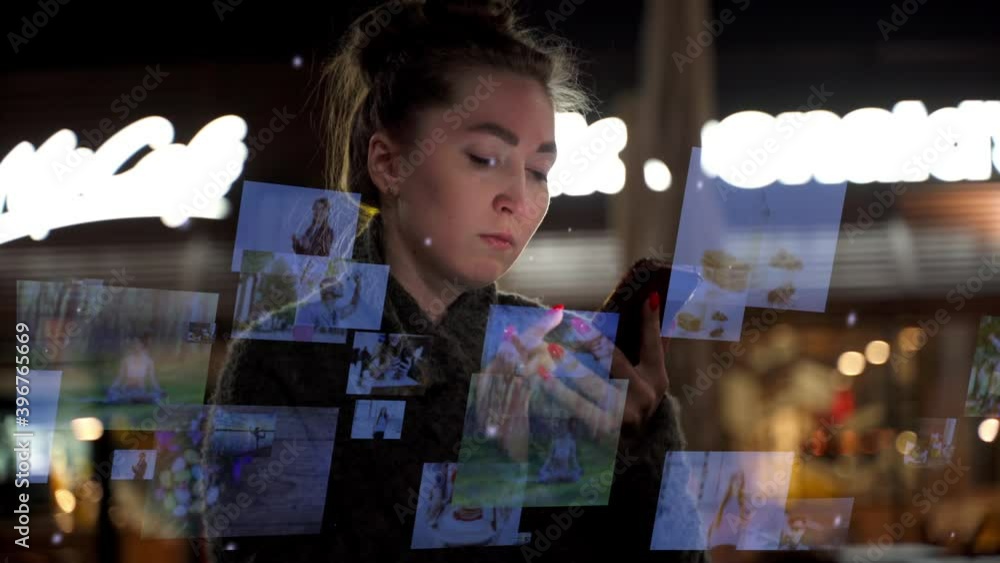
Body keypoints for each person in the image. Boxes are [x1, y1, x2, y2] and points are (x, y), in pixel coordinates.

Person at [205, 1, 700, 561]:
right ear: (389, 164)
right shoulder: (281, 360)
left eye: (539, 172)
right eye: (485, 157)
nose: (519, 198)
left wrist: (640, 449)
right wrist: (487, 453)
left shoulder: (566, 355)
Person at [107, 333, 163, 403]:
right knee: (118, 395)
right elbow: (120, 377)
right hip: (127, 389)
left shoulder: (148, 361)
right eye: (134, 344)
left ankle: (134, 398)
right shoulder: (126, 360)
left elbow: (152, 378)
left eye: (137, 344)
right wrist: (112, 388)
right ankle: (125, 397)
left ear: (142, 345)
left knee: (149, 396)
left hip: (140, 389)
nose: (135, 346)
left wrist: (159, 390)